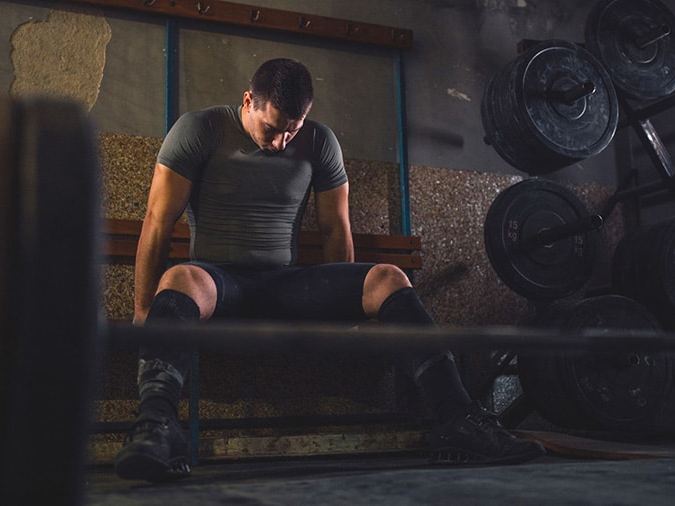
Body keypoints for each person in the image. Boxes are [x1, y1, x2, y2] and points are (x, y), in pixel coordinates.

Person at [114, 58, 544, 482]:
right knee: (178, 279)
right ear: (248, 101)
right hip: (219, 281)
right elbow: (157, 220)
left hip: (286, 284)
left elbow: (335, 226)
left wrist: (346, 314)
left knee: (389, 277)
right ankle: (156, 426)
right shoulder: (200, 129)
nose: (282, 141)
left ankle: (458, 420)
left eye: (292, 130)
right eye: (272, 128)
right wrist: (142, 313)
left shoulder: (319, 141)